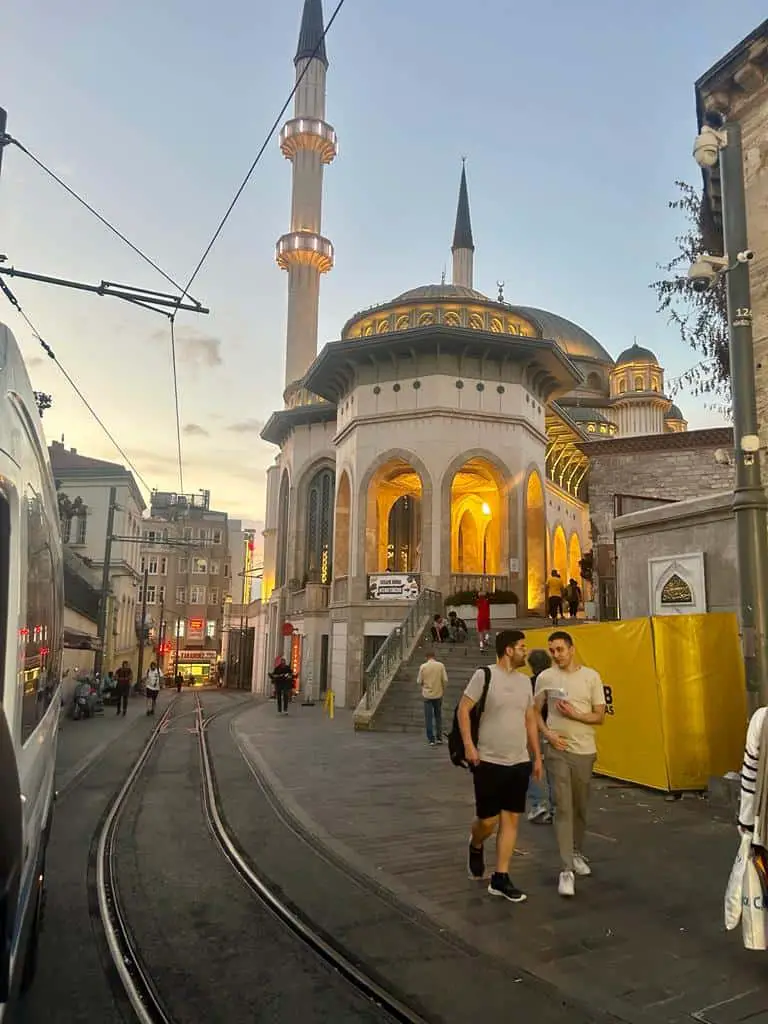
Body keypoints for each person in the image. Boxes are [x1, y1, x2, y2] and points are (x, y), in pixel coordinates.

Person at [459, 629, 543, 904]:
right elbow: (463, 709)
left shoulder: (524, 683)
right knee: (488, 821)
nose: (525, 651)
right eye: (521, 646)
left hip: (518, 761)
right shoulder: (484, 675)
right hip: (488, 760)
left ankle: (500, 877)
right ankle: (476, 842)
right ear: (508, 650)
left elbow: (530, 718)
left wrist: (537, 755)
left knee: (511, 819)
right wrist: (469, 746)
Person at [534, 631, 606, 898]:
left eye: (560, 649)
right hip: (557, 751)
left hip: (584, 751)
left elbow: (600, 717)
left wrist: (577, 714)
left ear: (572, 649)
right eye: (552, 650)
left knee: (580, 807)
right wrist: (548, 733)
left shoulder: (591, 677)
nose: (556, 655)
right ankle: (566, 869)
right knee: (562, 806)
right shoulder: (545, 678)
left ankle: (576, 852)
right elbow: (534, 711)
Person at [526, 649, 555, 824]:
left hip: (534, 731)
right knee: (553, 771)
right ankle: (554, 807)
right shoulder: (556, 682)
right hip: (553, 729)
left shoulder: (528, 684)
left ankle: (538, 804)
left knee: (532, 769)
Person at [417, 649, 448, 746]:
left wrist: (424, 685)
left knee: (428, 717)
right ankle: (439, 737)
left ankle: (431, 739)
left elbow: (419, 681)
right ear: (434, 656)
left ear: (426, 657)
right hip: (438, 694)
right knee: (438, 716)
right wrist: (443, 689)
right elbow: (445, 679)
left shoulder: (423, 667)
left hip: (427, 694)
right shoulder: (440, 666)